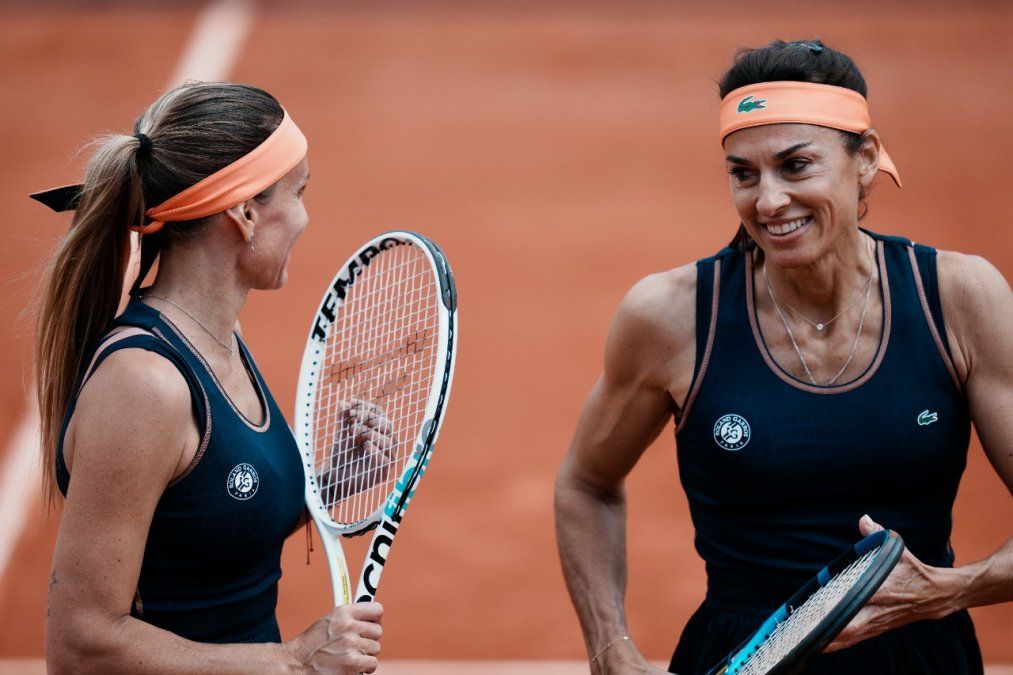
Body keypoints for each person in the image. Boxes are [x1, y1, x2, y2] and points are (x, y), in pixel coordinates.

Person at [555, 39, 1012, 674]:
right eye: (744, 173)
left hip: (919, 654)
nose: (767, 202)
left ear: (866, 160)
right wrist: (610, 648)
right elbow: (586, 483)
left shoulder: (959, 298)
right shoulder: (672, 316)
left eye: (796, 166)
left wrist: (952, 589)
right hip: (737, 656)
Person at [35, 82, 384, 673]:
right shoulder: (145, 386)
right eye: (298, 193)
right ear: (246, 214)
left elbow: (208, 520)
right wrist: (294, 661)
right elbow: (81, 643)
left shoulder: (218, 338)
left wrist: (331, 481)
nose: (305, 215)